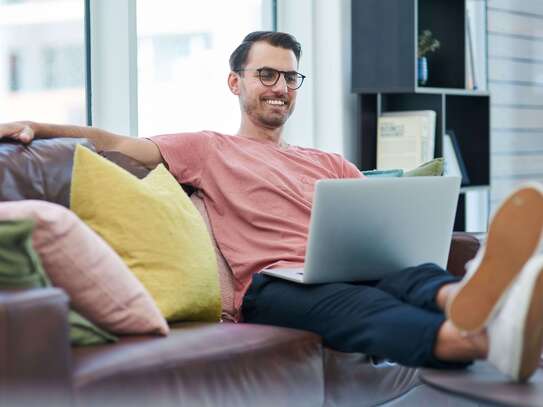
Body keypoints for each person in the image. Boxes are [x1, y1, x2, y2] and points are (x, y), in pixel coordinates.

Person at [1, 31, 542, 382]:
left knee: (411, 272)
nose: (280, 87)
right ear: (237, 82)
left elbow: (378, 220)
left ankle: (465, 296)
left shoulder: (328, 161)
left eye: (289, 77)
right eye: (267, 75)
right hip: (270, 285)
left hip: (350, 270)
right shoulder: (208, 148)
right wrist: (41, 125)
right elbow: (111, 142)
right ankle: (481, 337)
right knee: (366, 312)